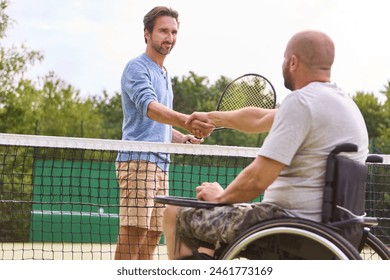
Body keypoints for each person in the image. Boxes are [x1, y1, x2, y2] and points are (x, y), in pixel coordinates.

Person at [162, 30, 369, 259]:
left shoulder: (301, 102)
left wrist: (221, 198)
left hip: (286, 228)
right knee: (213, 232)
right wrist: (212, 118)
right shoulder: (343, 105)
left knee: (174, 213)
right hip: (334, 233)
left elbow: (257, 179)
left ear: (293, 62)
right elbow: (259, 118)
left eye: (283, 58)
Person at [115, 6, 213, 260]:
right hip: (138, 161)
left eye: (173, 32)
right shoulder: (137, 67)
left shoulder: (164, 74)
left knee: (152, 234)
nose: (169, 37)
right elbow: (150, 109)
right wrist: (186, 120)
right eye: (163, 31)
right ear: (147, 34)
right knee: (134, 232)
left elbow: (160, 127)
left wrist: (182, 137)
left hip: (161, 164)